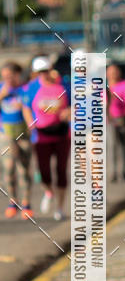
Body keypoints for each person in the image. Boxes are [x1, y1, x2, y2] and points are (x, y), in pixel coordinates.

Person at [23, 56, 70, 221]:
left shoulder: (62, 85)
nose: (43, 74)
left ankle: (60, 208)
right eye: (40, 71)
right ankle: (49, 192)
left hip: (62, 133)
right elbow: (26, 107)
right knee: (44, 171)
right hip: (42, 134)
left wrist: (69, 112)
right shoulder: (32, 87)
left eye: (45, 70)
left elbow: (74, 104)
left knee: (61, 170)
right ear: (35, 73)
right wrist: (30, 122)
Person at [0, 61, 33, 219]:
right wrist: (2, 95)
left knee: (24, 169)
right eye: (4, 76)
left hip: (23, 133)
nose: (7, 79)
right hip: (5, 133)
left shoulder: (25, 90)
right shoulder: (1, 89)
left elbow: (30, 108)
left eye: (10, 76)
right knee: (9, 166)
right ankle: (13, 202)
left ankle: (26, 204)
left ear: (17, 75)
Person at [107, 63, 125, 182]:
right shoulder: (103, 87)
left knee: (123, 146)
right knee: (112, 145)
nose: (113, 74)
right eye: (110, 71)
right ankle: (113, 172)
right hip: (109, 120)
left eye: (115, 71)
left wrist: (118, 99)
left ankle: (124, 171)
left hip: (123, 119)